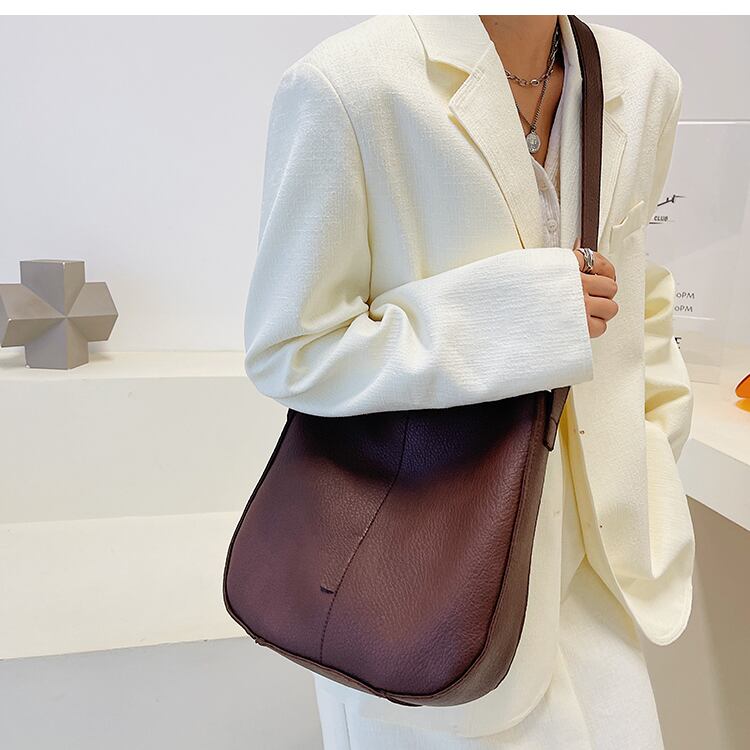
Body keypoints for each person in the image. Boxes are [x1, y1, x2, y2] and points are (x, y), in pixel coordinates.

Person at [241, 14, 695, 750]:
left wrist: (651, 447)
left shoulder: (642, 82)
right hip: (420, 581)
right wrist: (518, 314)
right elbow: (292, 348)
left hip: (598, 568)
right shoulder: (349, 84)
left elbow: (640, 294)